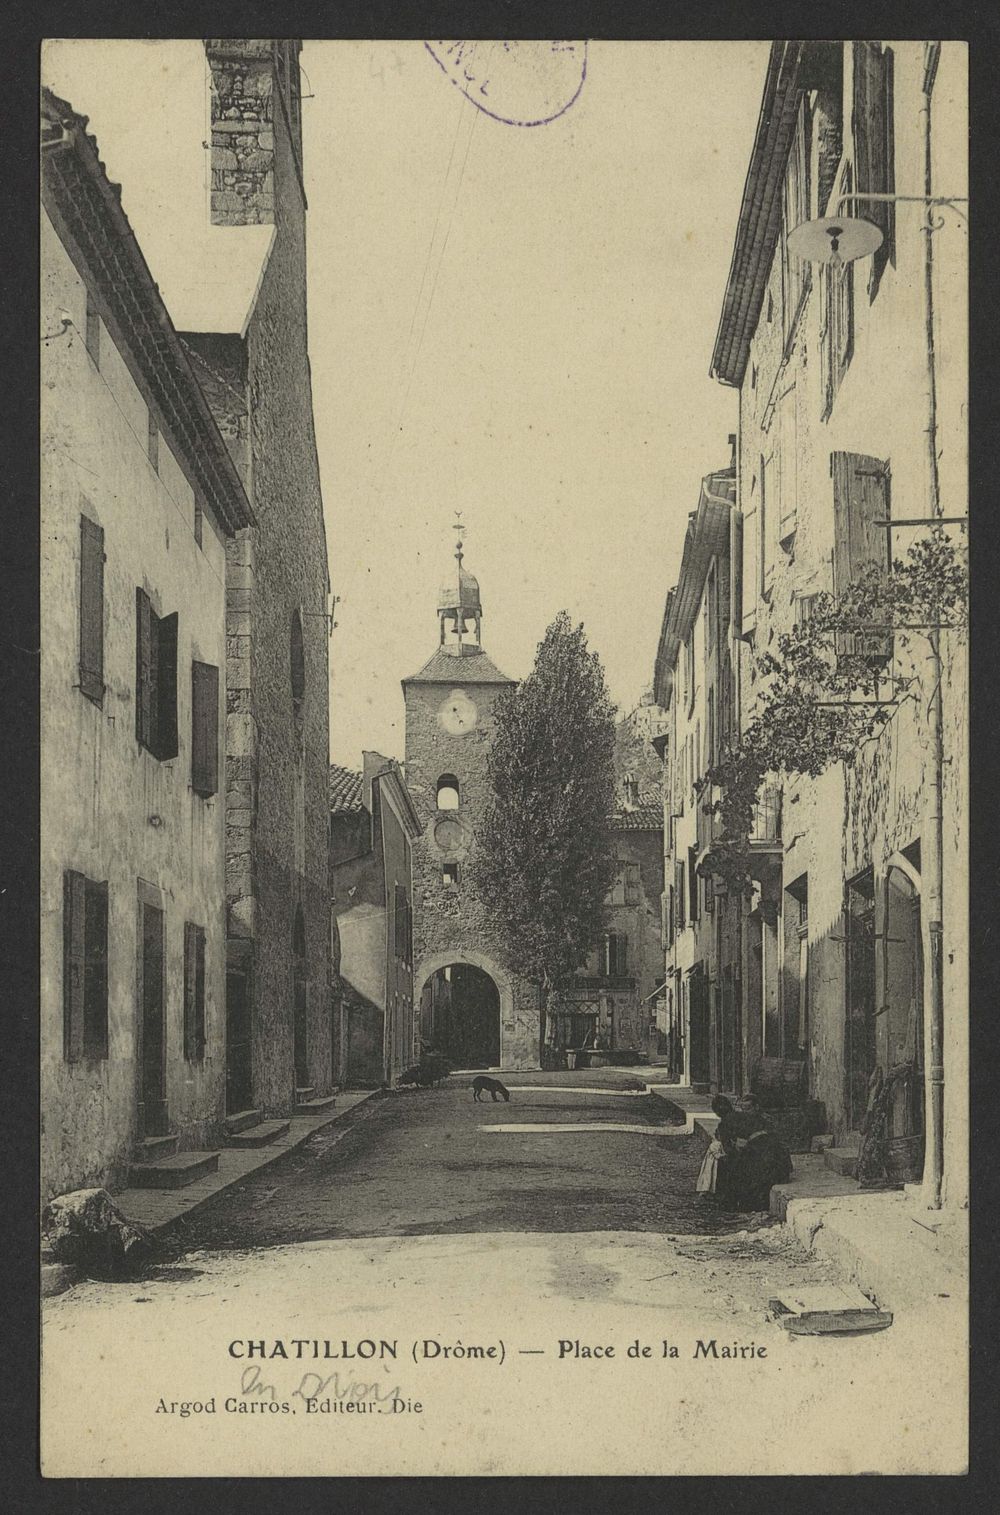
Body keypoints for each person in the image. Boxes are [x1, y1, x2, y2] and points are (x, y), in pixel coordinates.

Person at [723, 1094, 793, 1209]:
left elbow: (774, 1142)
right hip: (755, 1157)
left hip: (772, 1159)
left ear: (757, 1107)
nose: (745, 1112)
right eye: (743, 1109)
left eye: (748, 1108)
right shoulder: (743, 1121)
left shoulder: (767, 1120)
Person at [696, 1095, 734, 1198]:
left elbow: (727, 1143)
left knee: (712, 1155)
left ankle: (708, 1187)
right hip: (728, 1148)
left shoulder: (726, 1122)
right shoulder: (731, 1118)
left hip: (729, 1150)